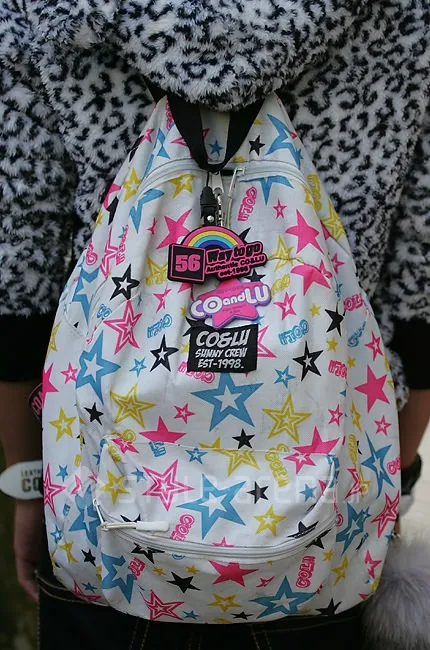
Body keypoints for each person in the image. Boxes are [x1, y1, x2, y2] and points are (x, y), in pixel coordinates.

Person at [0, 0, 429, 648]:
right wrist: (395, 475)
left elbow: (19, 252)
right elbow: (420, 284)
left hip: (106, 510)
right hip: (321, 523)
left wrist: (28, 479)